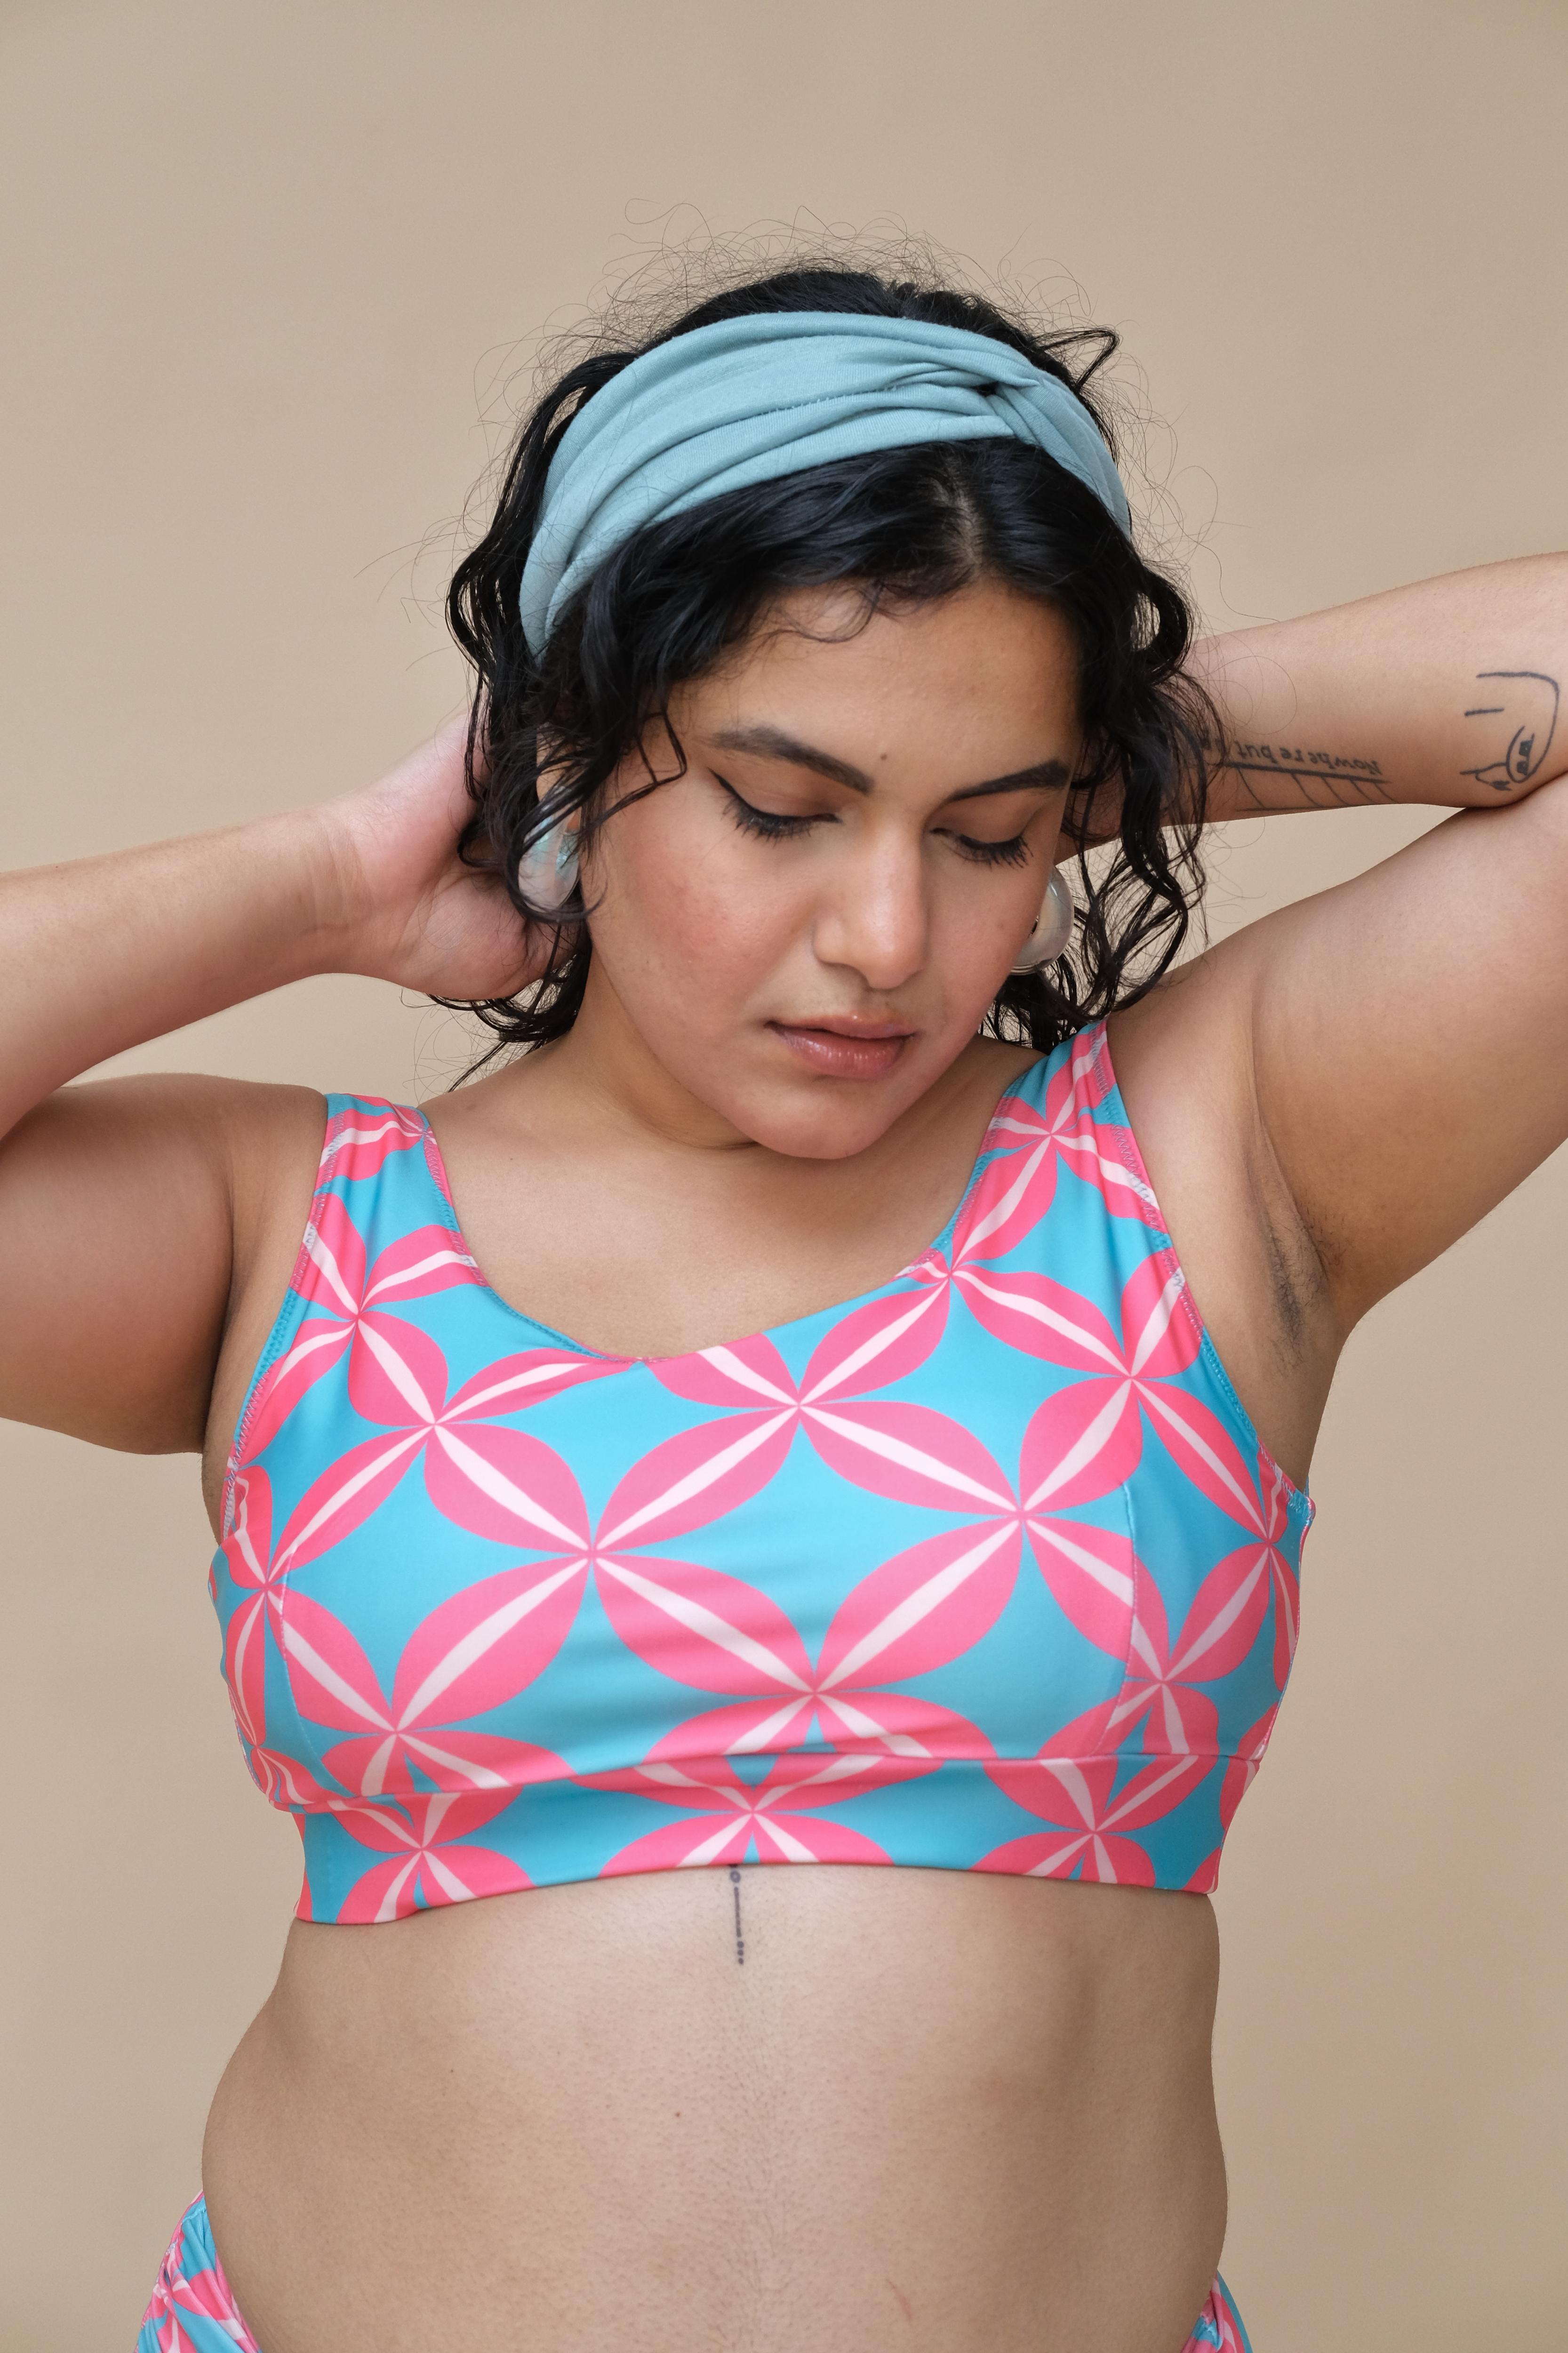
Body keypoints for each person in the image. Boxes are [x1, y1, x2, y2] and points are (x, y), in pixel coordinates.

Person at [2, 254, 1562, 2353]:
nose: (889, 935)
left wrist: (1081, 728)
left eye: (991, 832)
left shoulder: (1208, 1160)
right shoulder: (285, 1226)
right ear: (567, 741)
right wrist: (326, 881)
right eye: (778, 803)